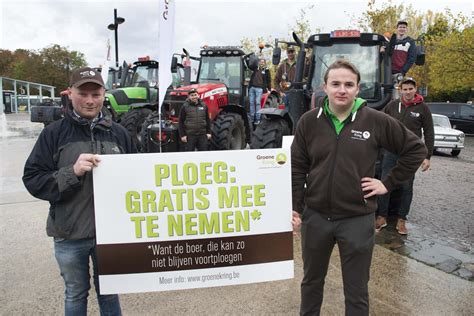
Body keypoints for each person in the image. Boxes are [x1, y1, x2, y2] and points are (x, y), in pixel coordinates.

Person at [291, 60, 426, 315]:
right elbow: (297, 168)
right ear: (325, 87)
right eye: (336, 84)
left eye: (348, 84)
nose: (342, 89)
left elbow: (415, 149)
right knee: (311, 283)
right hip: (316, 218)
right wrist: (296, 208)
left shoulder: (375, 120)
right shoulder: (309, 122)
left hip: (357, 219)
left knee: (356, 291)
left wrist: (387, 182)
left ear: (357, 89)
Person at [23, 67, 135, 315]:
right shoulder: (53, 134)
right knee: (75, 293)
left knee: (109, 292)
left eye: (95, 94)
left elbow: (138, 179)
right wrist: (71, 172)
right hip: (69, 232)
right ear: (70, 93)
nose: (89, 100)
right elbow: (32, 179)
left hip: (111, 235)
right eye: (82, 93)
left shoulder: (121, 134)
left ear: (104, 94)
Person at [376, 77, 434, 235]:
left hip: (410, 154)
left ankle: (402, 219)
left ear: (415, 89)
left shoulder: (423, 108)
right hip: (391, 152)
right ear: (400, 90)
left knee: (406, 186)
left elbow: (429, 132)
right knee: (385, 183)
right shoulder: (392, 106)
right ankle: (382, 216)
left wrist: (427, 156)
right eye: (405, 89)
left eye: (410, 89)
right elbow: (380, 124)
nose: (408, 92)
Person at [248, 58, 271, 124]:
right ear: (258, 63)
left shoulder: (266, 70)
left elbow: (269, 80)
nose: (261, 63)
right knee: (251, 103)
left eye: (263, 62)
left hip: (259, 88)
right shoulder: (255, 68)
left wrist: (269, 89)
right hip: (252, 88)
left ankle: (258, 119)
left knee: (258, 103)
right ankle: (252, 118)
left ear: (265, 63)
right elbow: (250, 65)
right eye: (260, 62)